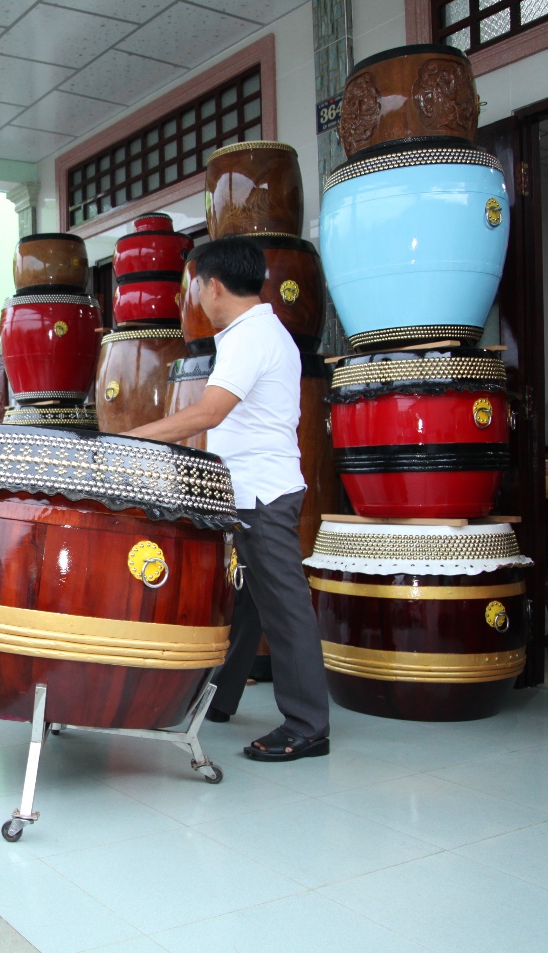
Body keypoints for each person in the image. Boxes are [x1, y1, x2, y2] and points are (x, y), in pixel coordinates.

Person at [125, 237, 330, 763]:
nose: (195, 296)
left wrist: (134, 438)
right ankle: (220, 697)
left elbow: (207, 413)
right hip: (252, 488)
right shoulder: (261, 329)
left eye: (195, 286)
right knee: (246, 600)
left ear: (213, 286)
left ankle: (308, 725)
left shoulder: (247, 336)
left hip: (261, 492)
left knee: (284, 605)